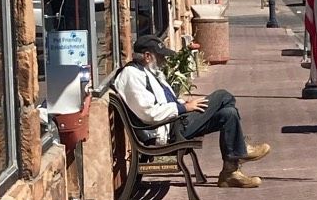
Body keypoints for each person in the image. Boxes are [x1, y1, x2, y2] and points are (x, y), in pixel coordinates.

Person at [114, 35, 270, 189]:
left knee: (228, 114)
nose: (164, 60)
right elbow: (148, 113)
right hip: (169, 129)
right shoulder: (132, 75)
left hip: (175, 121)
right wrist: (184, 108)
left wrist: (183, 104)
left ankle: (230, 173)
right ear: (148, 56)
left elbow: (163, 101)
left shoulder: (148, 72)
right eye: (160, 56)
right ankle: (240, 149)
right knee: (223, 96)